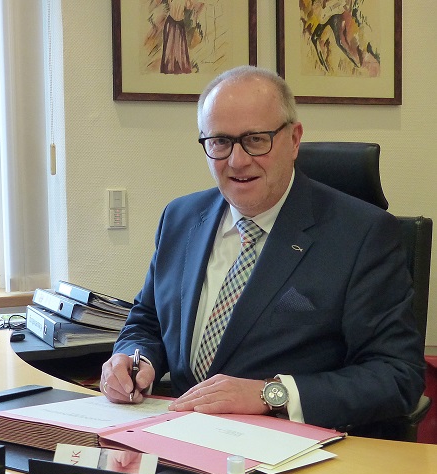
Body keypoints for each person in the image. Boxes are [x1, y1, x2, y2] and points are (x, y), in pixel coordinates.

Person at [101, 65, 425, 435]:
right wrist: (133, 358)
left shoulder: (361, 234)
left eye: (256, 139)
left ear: (294, 139)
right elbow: (148, 319)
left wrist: (271, 395)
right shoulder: (180, 217)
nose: (237, 161)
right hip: (180, 436)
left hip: (295, 454)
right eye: (220, 142)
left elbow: (397, 376)